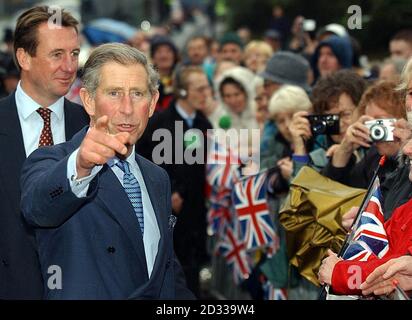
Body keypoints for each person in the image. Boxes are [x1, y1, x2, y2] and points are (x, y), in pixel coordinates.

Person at [20, 43, 194, 300]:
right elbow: (37, 207)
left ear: (153, 101)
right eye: (114, 93)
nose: (127, 107)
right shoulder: (54, 161)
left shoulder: (157, 177)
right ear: (89, 100)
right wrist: (81, 165)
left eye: (137, 94)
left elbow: (165, 270)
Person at [0, 6, 89, 299]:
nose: (69, 66)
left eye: (74, 54)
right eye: (57, 54)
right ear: (23, 57)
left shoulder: (93, 128)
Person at [137, 65, 212, 298]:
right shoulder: (158, 122)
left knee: (191, 273)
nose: (205, 94)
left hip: (194, 211)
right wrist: (167, 191)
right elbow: (142, 161)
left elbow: (199, 168)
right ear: (182, 92)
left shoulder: (204, 124)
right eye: (199, 89)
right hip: (161, 208)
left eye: (207, 88)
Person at [318, 137, 412, 296]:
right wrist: (348, 264)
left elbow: (398, 266)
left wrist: (340, 272)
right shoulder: (406, 210)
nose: (407, 149)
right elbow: (385, 254)